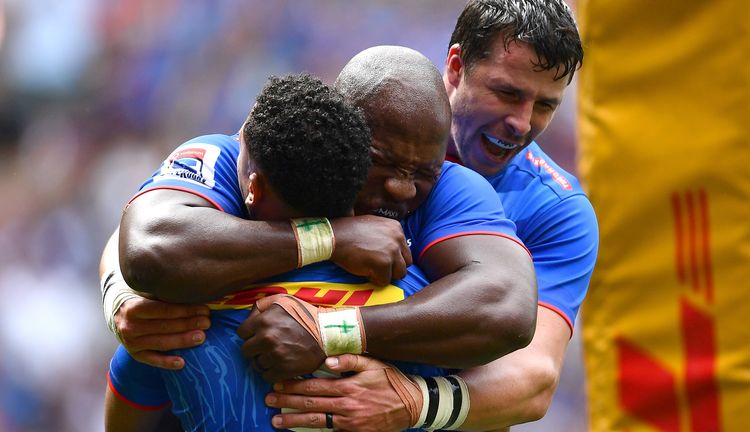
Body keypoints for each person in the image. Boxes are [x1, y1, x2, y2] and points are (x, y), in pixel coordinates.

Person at [102, 45, 536, 430]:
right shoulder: (243, 156)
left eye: (422, 172)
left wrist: (332, 332)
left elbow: (508, 309)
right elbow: (147, 246)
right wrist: (328, 237)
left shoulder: (451, 188)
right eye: (382, 162)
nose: (403, 189)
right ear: (341, 125)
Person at [261, 0, 598, 430]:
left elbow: (533, 379)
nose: (522, 122)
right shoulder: (360, 114)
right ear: (456, 66)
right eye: (508, 93)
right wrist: (151, 299)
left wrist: (414, 400)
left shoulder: (557, 211)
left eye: (545, 106)